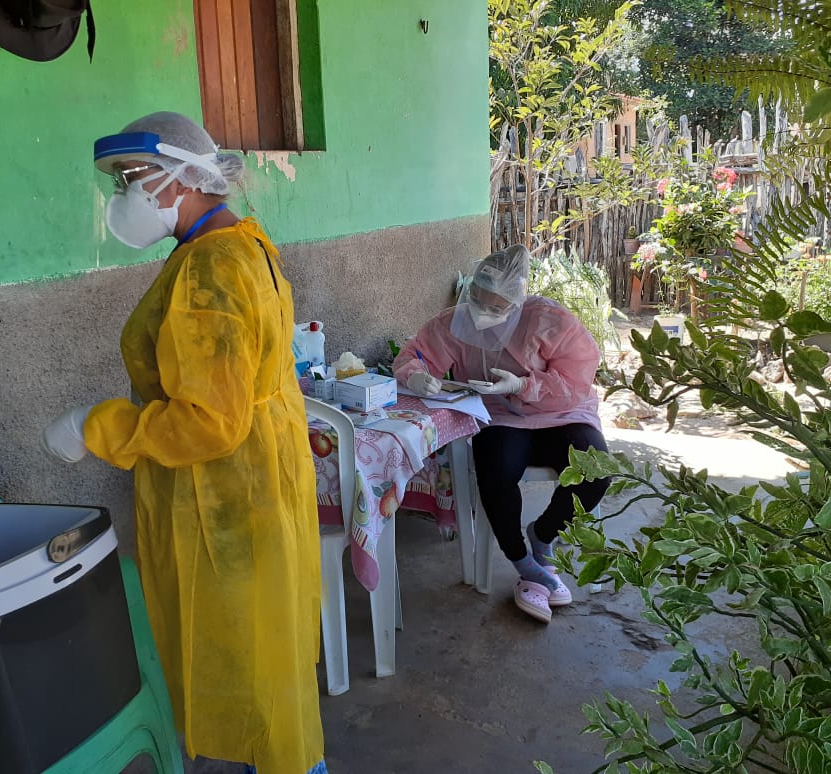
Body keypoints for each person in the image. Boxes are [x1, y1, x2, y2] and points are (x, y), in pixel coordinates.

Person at [41, 112, 326, 774]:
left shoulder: (210, 269)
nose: (126, 195)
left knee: (253, 674)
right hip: (261, 477)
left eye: (134, 178)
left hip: (227, 491)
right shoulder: (244, 243)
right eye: (119, 181)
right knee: (270, 671)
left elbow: (207, 421)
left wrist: (97, 426)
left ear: (183, 179)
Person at [393, 244, 609, 624]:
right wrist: (416, 374)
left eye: (496, 307)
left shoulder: (548, 320)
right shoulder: (453, 323)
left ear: (517, 301)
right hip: (499, 418)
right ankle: (524, 562)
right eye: (478, 300)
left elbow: (577, 380)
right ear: (470, 291)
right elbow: (416, 354)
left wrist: (523, 385)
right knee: (495, 469)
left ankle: (543, 534)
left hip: (560, 413)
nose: (483, 313)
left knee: (596, 470)